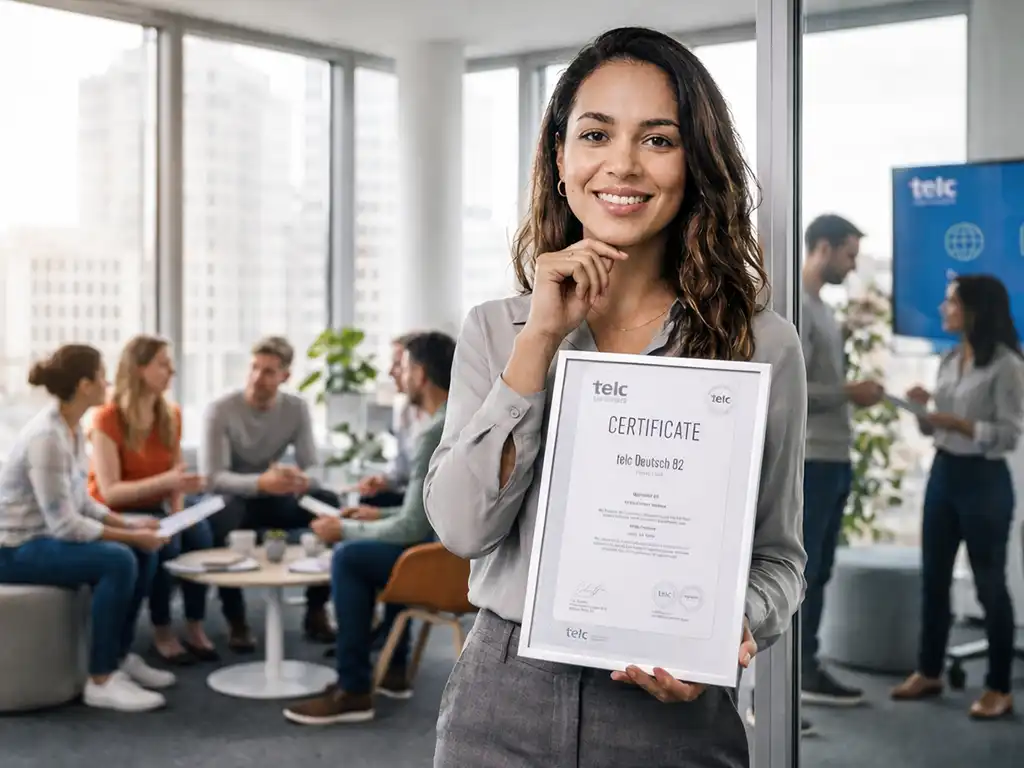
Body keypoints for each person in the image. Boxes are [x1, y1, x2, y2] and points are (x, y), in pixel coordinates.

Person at [422, 27, 807, 767]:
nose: (622, 165)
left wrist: (727, 630)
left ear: (694, 164)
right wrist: (537, 344)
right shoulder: (496, 330)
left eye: (658, 140)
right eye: (596, 133)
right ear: (560, 158)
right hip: (503, 697)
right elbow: (463, 529)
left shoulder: (762, 346)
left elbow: (779, 559)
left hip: (672, 710)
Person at [283, 331, 454, 725]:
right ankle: (392, 670)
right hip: (448, 550)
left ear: (420, 373)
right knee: (374, 547)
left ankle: (354, 689)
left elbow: (412, 525)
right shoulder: (454, 417)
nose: (397, 375)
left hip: (437, 559)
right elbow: (421, 511)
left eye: (403, 367)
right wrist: (376, 519)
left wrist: (344, 532)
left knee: (350, 558)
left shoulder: (433, 431)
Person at [0, 344, 175, 712]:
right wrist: (130, 536)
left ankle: (119, 656)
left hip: (42, 537)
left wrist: (127, 523)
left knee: (139, 552)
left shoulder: (73, 428)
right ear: (84, 385)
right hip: (14, 549)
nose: (107, 382)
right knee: (119, 559)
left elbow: (81, 502)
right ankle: (101, 680)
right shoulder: (47, 438)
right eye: (101, 375)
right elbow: (65, 525)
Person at [892, 275, 1024, 720]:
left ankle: (999, 687)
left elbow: (1008, 435)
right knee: (934, 579)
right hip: (944, 472)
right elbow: (935, 428)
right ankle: (929, 670)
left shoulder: (1007, 365)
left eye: (951, 302)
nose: (943, 308)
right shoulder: (948, 359)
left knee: (990, 587)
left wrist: (960, 423)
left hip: (985, 480)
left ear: (975, 309)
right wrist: (924, 414)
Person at [201, 336, 339, 651]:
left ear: (285, 376)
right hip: (236, 498)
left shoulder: (296, 408)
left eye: (267, 372)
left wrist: (302, 479)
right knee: (225, 512)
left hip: (276, 496)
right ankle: (236, 619)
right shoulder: (220, 410)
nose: (256, 378)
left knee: (328, 504)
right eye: (253, 368)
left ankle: (316, 610)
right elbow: (213, 478)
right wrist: (260, 483)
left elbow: (314, 468)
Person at [89, 335, 216, 665]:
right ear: (139, 368)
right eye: (162, 363)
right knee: (164, 545)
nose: (171, 371)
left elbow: (175, 481)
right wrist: (169, 486)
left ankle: (196, 625)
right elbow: (111, 491)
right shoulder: (106, 419)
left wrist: (178, 515)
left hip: (158, 506)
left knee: (199, 534)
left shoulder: (170, 414)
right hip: (116, 511)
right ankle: (162, 630)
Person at [799, 213, 884, 706]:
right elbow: (789, 389)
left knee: (823, 566)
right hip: (811, 458)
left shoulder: (824, 311)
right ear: (823, 248)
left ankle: (805, 667)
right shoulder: (797, 309)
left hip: (834, 457)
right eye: (849, 254)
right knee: (804, 572)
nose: (853, 266)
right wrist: (849, 391)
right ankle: (786, 680)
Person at [356, 333, 425, 508]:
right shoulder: (405, 410)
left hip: (425, 501)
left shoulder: (442, 420)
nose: (390, 372)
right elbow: (401, 469)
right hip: (409, 493)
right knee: (368, 501)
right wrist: (383, 480)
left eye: (398, 365)